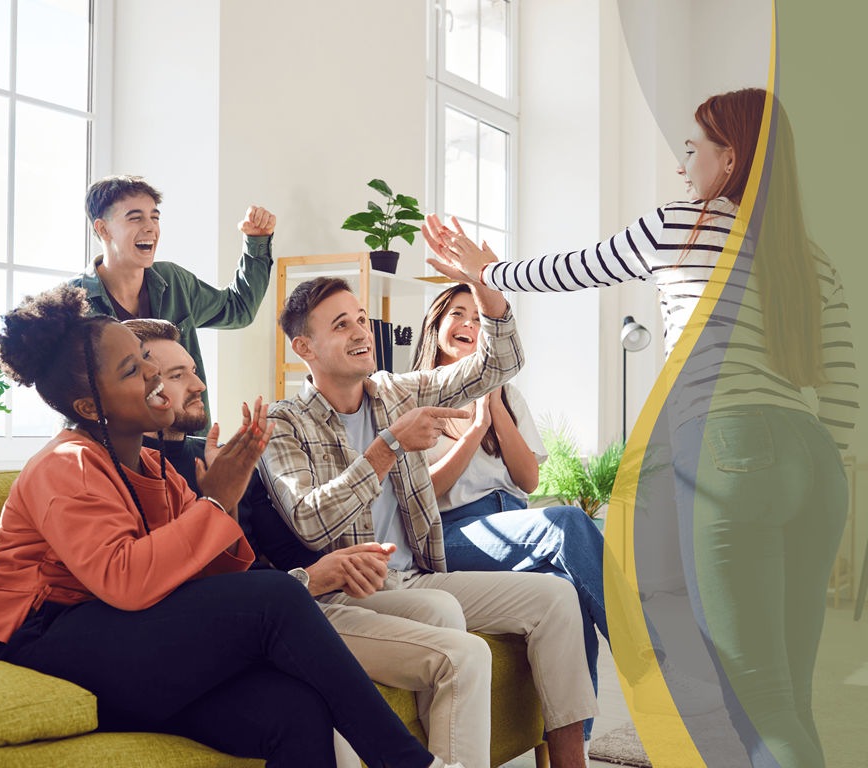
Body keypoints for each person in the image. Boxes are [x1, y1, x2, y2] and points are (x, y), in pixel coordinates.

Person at [423, 88, 856, 768]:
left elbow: (574, 268)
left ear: (729, 157)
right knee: (790, 698)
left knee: (758, 699)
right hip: (817, 469)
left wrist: (487, 269)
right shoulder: (811, 255)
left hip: (728, 446)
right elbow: (844, 392)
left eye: (694, 149)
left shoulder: (684, 226)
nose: (686, 164)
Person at [0, 285, 464, 768]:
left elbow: (220, 577)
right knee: (275, 598)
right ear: (87, 408)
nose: (152, 373)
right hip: (44, 642)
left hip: (127, 638)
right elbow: (124, 580)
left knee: (295, 711)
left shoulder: (156, 466)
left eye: (143, 358)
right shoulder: (65, 465)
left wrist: (221, 503)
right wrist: (216, 500)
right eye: (132, 369)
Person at [260, 276, 598, 768]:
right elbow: (311, 520)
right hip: (355, 591)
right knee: (445, 617)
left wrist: (489, 290)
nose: (361, 332)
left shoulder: (396, 391)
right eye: (341, 325)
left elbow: (500, 364)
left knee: (556, 598)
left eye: (360, 319)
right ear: (304, 347)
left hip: (419, 572)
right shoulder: (284, 421)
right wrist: (388, 446)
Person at [124, 317, 493, 768]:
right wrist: (225, 508)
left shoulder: (217, 452)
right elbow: (189, 589)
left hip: (289, 598)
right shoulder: (128, 471)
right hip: (257, 618)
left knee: (441, 610)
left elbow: (281, 548)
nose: (199, 383)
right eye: (178, 376)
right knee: (457, 655)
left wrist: (335, 563)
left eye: (193, 370)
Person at [409, 284, 722, 757]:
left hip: (514, 524)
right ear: (435, 327)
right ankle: (651, 667)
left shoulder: (507, 394)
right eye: (457, 314)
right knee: (569, 523)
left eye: (478, 317)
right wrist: (473, 432)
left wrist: (493, 407)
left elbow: (529, 479)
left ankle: (571, 756)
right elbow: (423, 494)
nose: (470, 324)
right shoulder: (411, 398)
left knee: (571, 595)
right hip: (453, 535)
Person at [67, 174, 275, 429]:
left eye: (154, 217)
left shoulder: (175, 281)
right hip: (111, 450)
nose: (150, 227)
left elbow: (239, 309)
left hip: (182, 444)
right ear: (103, 229)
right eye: (136, 218)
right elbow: (67, 391)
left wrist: (256, 241)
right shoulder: (71, 302)